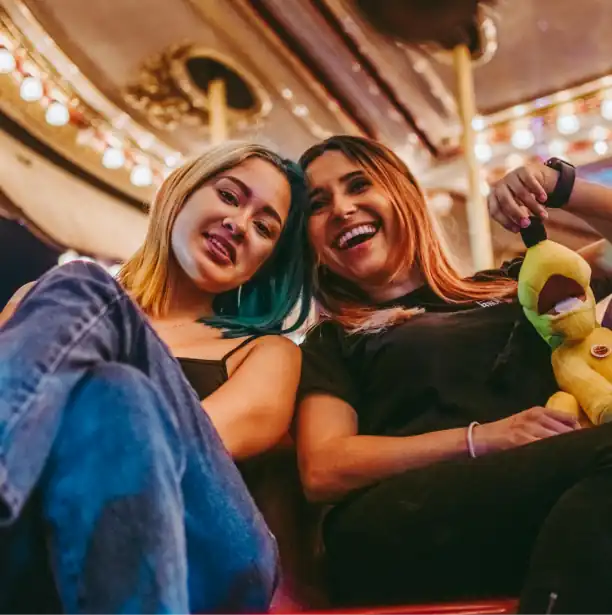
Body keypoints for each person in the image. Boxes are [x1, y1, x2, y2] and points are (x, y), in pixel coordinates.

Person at [295, 135, 612, 615]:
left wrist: (558, 184)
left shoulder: (514, 283)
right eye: (318, 205)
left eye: (359, 186)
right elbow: (324, 467)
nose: (342, 208)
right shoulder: (335, 338)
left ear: (402, 195)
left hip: (541, 500)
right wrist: (483, 438)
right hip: (399, 523)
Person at [0, 141, 312, 615]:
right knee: (117, 392)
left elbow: (151, 448)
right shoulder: (46, 305)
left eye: (264, 227)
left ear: (266, 259)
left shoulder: (268, 353)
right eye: (229, 196)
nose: (239, 224)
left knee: (90, 296)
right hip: (52, 532)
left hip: (215, 552)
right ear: (177, 193)